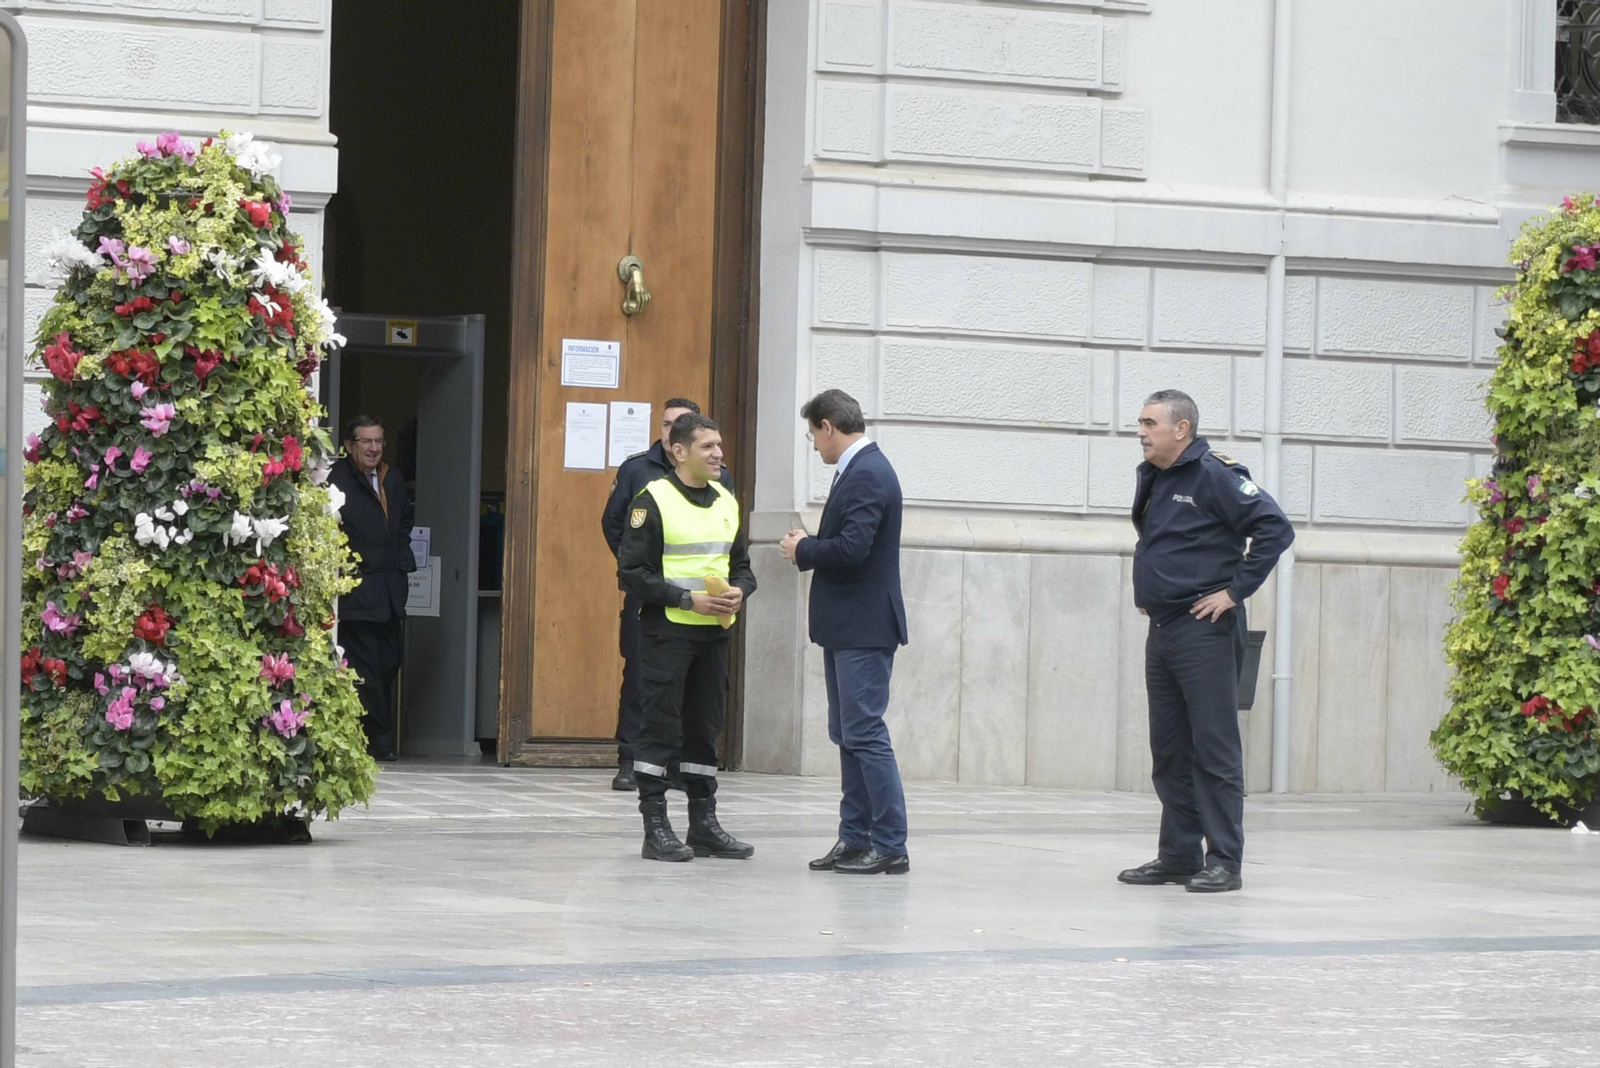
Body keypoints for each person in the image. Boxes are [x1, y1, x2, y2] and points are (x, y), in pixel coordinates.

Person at [1118, 389, 1294, 894]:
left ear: (1182, 429)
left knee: (1214, 749)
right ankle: (1177, 855)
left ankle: (1223, 861)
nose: (1142, 432)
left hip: (1204, 631)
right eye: (1141, 423)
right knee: (1170, 750)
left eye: (1151, 423)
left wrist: (1234, 592)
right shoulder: (1157, 474)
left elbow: (1274, 529)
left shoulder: (1214, 473)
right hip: (1165, 628)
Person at [780, 389, 909, 875]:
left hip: (864, 626)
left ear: (829, 426)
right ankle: (854, 838)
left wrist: (805, 548)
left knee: (865, 733)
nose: (814, 445)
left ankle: (890, 843)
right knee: (847, 733)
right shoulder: (858, 469)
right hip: (848, 626)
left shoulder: (870, 472)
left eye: (814, 434)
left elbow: (854, 549)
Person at [617, 412, 756, 862]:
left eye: (719, 445)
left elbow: (742, 566)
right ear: (679, 451)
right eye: (707, 447)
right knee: (658, 729)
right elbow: (632, 573)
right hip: (666, 633)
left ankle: (703, 823)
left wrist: (740, 591)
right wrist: (684, 599)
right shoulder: (651, 500)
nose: (718, 454)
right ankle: (655, 825)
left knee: (703, 730)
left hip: (714, 636)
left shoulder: (725, 499)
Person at [602, 398, 734, 792]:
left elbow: (731, 547)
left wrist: (739, 588)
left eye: (678, 423)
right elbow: (615, 527)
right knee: (643, 683)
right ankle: (631, 761)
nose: (669, 430)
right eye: (666, 423)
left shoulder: (721, 482)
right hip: (655, 605)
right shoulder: (638, 471)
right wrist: (654, 575)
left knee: (700, 707)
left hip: (709, 619)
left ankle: (694, 799)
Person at [329, 415, 416, 761]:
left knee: (389, 662)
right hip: (357, 591)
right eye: (366, 441)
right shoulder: (337, 478)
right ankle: (377, 741)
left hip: (390, 591)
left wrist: (401, 556)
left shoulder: (391, 478)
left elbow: (404, 520)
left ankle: (371, 735)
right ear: (350, 446)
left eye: (378, 441)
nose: (374, 448)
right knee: (364, 669)